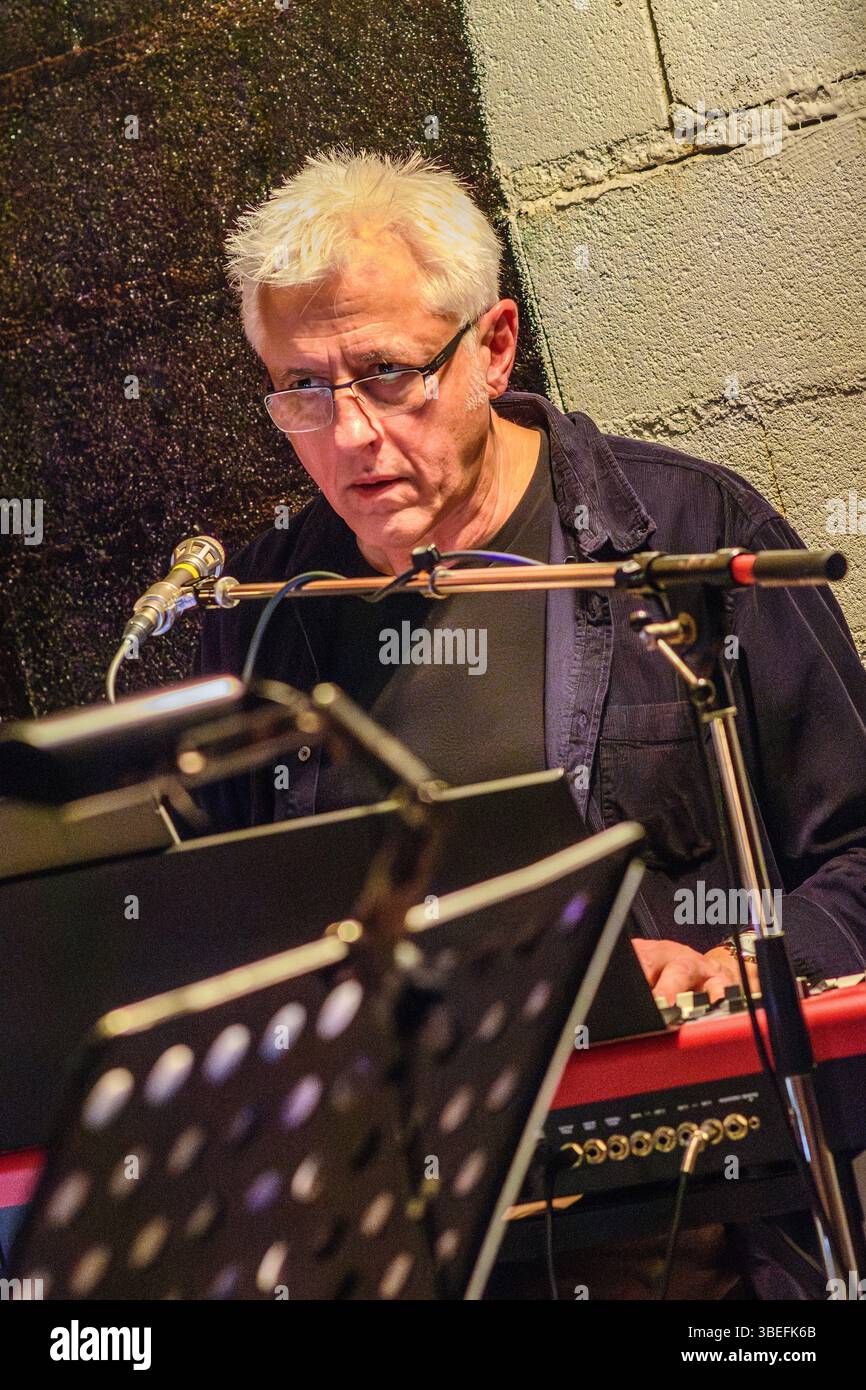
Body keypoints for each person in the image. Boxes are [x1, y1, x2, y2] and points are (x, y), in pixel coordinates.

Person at [194, 146, 866, 1298]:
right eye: (300, 388)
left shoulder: (684, 538)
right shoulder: (264, 617)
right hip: (402, 1242)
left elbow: (855, 857)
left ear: (493, 345)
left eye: (386, 374)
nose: (346, 435)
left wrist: (718, 967)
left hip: (697, 1230)